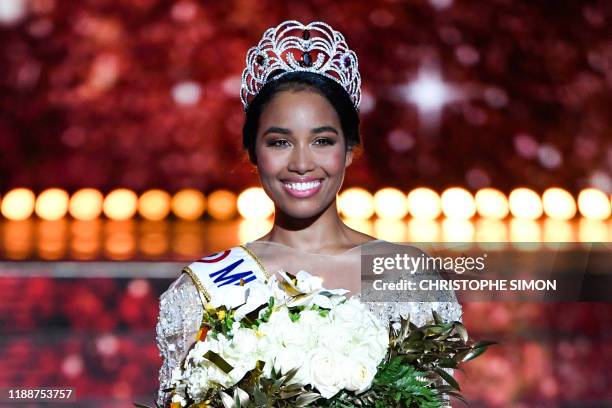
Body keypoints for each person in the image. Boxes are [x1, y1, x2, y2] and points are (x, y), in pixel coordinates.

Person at [155, 20, 461, 407]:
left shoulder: (406, 277)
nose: (301, 163)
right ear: (254, 153)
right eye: (280, 141)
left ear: (349, 149)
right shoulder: (198, 294)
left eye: (321, 141)